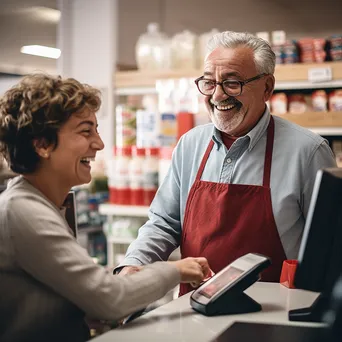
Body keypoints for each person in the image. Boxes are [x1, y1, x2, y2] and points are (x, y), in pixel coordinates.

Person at [116, 31, 337, 296]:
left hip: (276, 317)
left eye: (232, 83)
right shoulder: (190, 145)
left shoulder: (308, 152)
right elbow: (164, 222)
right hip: (195, 312)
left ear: (267, 87)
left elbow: (332, 248)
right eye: (209, 83)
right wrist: (133, 265)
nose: (218, 96)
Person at [0, 74, 210, 342]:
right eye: (86, 131)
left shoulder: (45, 204)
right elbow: (111, 298)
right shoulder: (22, 211)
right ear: (42, 144)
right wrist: (176, 270)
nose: (99, 143)